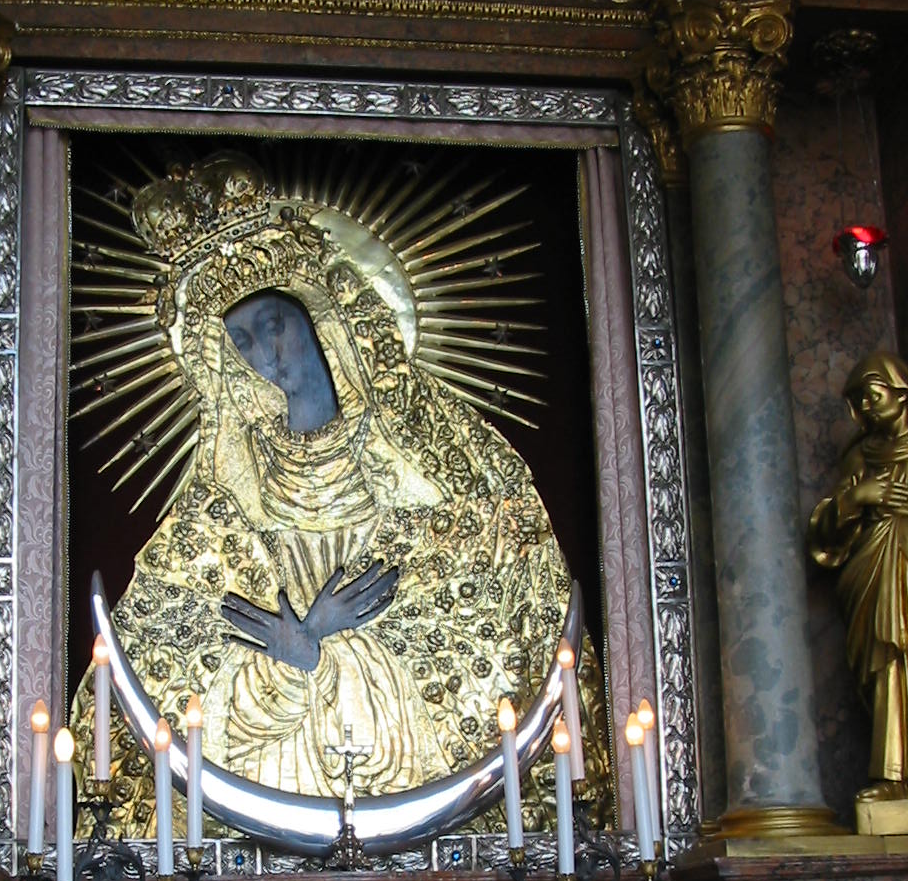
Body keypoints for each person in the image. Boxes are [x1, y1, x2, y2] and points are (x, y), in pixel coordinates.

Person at [73, 155, 609, 834]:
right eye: (243, 340)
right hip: (266, 798)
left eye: (275, 324)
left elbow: (505, 615)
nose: (266, 354)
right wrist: (298, 653)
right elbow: (167, 676)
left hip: (417, 782)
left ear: (321, 320)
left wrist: (332, 645)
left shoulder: (437, 467)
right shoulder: (220, 511)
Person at [809, 349, 908, 799]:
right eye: (860, 400)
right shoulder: (860, 456)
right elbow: (825, 535)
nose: (867, 407)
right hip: (874, 568)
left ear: (900, 393)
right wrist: (858, 497)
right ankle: (892, 776)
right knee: (886, 663)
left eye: (874, 395)